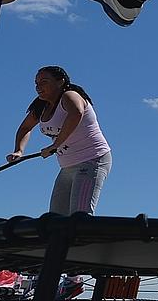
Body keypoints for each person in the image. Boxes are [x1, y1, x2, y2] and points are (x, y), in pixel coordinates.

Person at [8, 66, 113, 215]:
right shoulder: (41, 106)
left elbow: (76, 113)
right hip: (67, 166)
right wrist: (19, 150)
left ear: (60, 82)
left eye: (44, 82)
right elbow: (25, 128)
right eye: (36, 83)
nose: (38, 87)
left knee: (80, 216)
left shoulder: (70, 96)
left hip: (92, 160)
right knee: (56, 218)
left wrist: (55, 145)